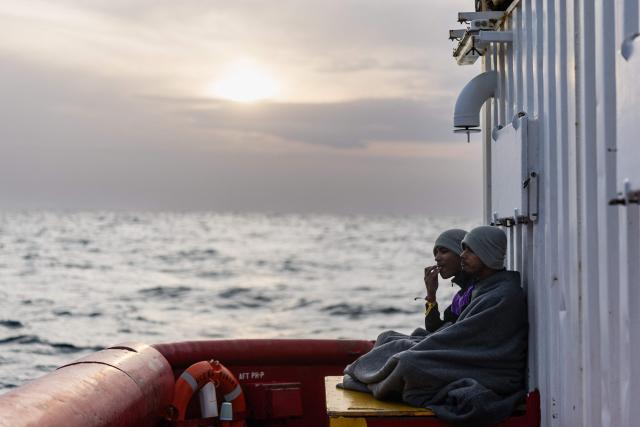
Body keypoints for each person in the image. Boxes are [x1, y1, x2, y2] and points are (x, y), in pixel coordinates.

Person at [340, 226, 528, 425]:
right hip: (458, 351)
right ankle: (370, 376)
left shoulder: (502, 295)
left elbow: (461, 337)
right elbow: (448, 331)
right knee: (390, 340)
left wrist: (420, 347)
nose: (462, 255)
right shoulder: (477, 290)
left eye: (468, 250)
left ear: (487, 254)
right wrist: (431, 296)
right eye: (462, 249)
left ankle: (367, 379)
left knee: (409, 362)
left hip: (485, 368)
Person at [423, 229, 473, 332]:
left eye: (444, 251)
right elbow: (434, 329)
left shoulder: (474, 290)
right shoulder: (460, 296)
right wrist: (431, 296)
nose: (437, 258)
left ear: (462, 254)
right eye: (435, 253)